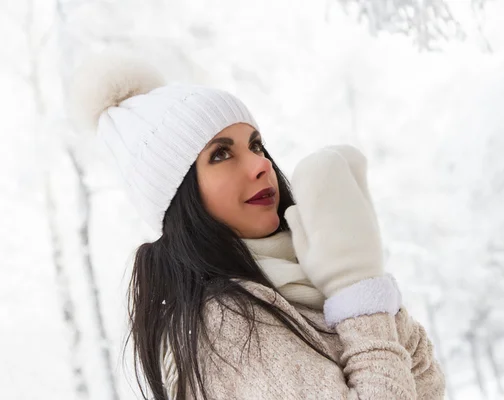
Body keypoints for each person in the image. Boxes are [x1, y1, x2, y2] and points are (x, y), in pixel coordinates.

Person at [70, 52, 446, 400]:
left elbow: (429, 382)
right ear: (179, 196)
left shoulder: (311, 272)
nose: (260, 165)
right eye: (221, 154)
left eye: (256, 145)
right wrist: (357, 289)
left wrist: (353, 271)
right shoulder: (224, 323)